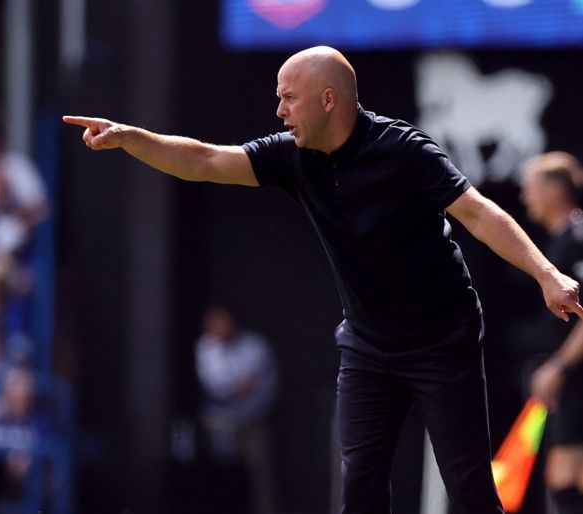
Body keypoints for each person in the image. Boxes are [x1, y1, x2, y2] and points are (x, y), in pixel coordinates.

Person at [63, 46, 583, 514]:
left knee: (469, 490)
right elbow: (203, 159)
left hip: (442, 340)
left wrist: (546, 274)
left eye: (289, 98)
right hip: (368, 344)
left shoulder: (403, 149)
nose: (279, 111)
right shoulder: (291, 156)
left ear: (328, 99)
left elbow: (478, 212)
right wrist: (132, 138)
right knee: (359, 485)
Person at [520, 151, 583, 514]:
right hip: (570, 385)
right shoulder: (560, 241)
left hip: (577, 382)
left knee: (566, 481)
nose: (525, 197)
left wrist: (558, 367)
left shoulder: (576, 238)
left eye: (531, 188)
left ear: (555, 189)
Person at [195, 304, 279, 514]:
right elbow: (217, 387)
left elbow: (261, 385)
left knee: (260, 479)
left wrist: (241, 389)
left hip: (252, 422)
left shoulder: (255, 346)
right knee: (221, 479)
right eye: (214, 322)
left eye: (223, 321)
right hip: (218, 426)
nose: (219, 327)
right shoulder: (205, 348)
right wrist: (237, 387)